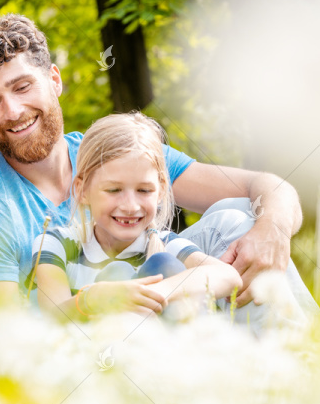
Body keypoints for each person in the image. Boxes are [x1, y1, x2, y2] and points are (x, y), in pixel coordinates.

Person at [0, 14, 320, 326]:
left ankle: (304, 368)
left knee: (239, 215)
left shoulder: (118, 152)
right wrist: (93, 303)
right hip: (91, 351)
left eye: (22, 86)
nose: (13, 110)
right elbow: (2, 330)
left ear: (54, 80)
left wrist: (272, 229)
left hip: (168, 314)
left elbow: (267, 186)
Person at [32, 113, 241, 319]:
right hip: (99, 348)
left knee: (164, 264)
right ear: (82, 190)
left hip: (159, 344)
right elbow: (53, 317)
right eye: (114, 190)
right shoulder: (57, 243)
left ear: (160, 191)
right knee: (117, 273)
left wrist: (155, 293)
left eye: (144, 191)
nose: (130, 206)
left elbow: (229, 276)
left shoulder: (163, 243)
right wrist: (94, 299)